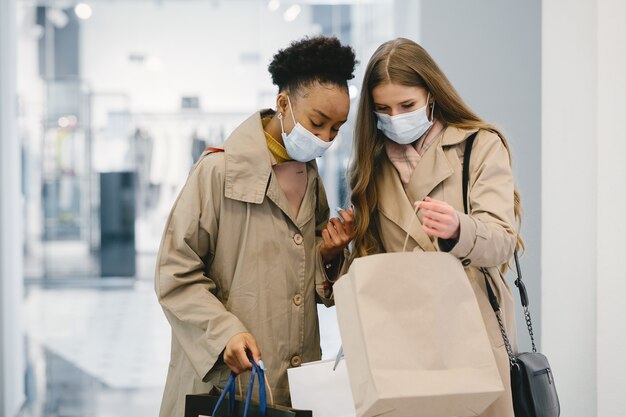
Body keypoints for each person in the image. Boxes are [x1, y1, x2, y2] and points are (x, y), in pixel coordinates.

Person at [155, 36, 356, 417]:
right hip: (227, 380)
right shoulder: (217, 172)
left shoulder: (310, 178)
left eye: (337, 128)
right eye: (318, 123)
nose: (327, 138)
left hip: (293, 382)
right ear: (283, 104)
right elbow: (174, 273)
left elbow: (301, 273)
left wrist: (329, 255)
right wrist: (223, 331)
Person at [348, 37, 522, 417]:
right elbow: (369, 260)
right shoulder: (369, 166)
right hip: (401, 335)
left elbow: (502, 240)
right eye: (382, 109)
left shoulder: (480, 145)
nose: (395, 117)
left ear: (431, 94)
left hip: (469, 326)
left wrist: (460, 229)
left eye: (406, 105)